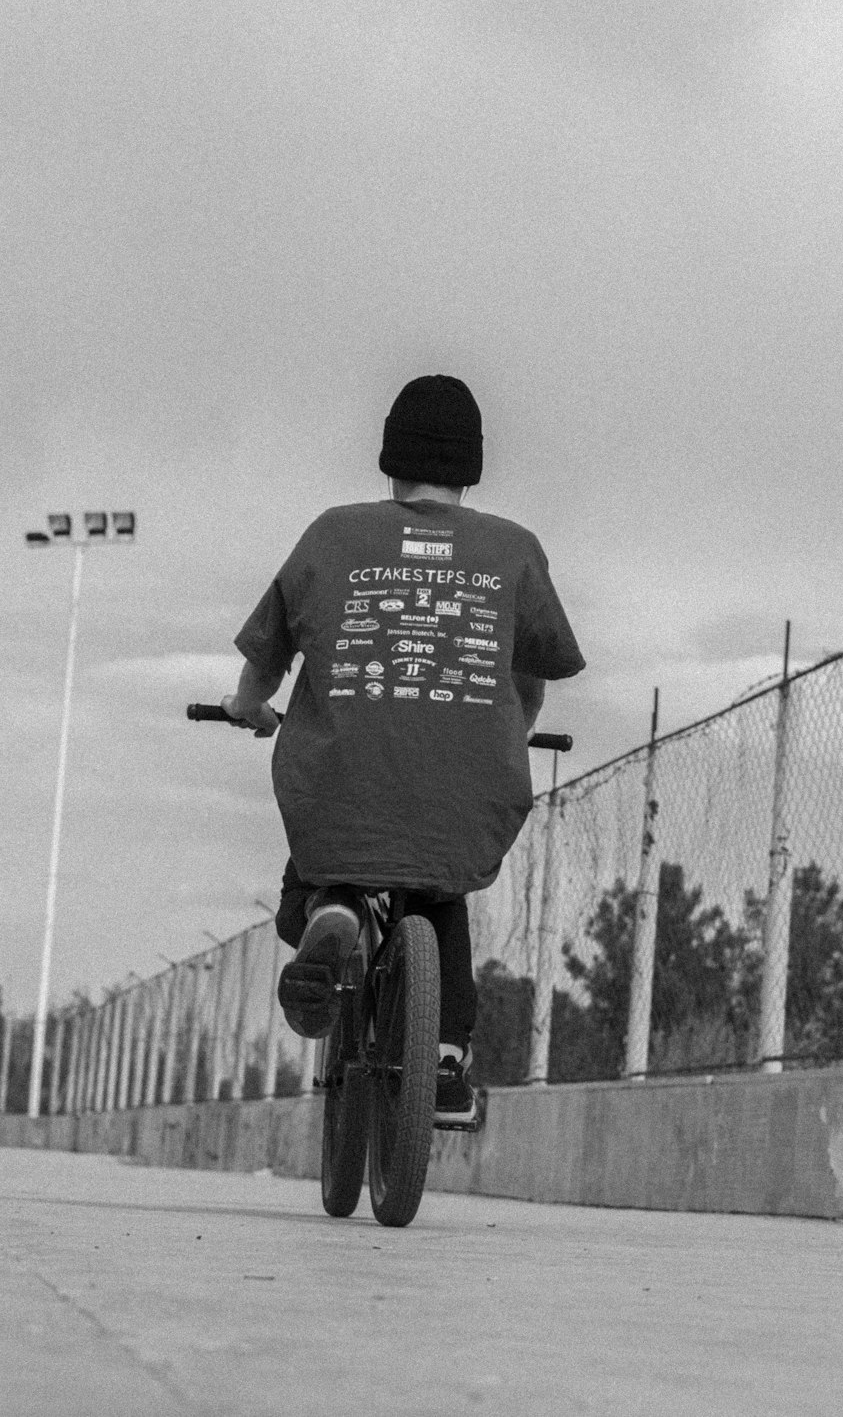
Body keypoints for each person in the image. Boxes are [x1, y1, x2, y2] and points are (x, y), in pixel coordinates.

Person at [222, 374, 585, 1124]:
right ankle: (447, 1066)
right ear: (472, 465)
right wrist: (504, 736)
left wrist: (248, 708)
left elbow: (269, 656)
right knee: (439, 895)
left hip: (343, 785)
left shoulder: (332, 534)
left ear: (390, 457)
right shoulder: (514, 551)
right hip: (464, 790)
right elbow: (530, 679)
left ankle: (335, 914)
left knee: (315, 878)